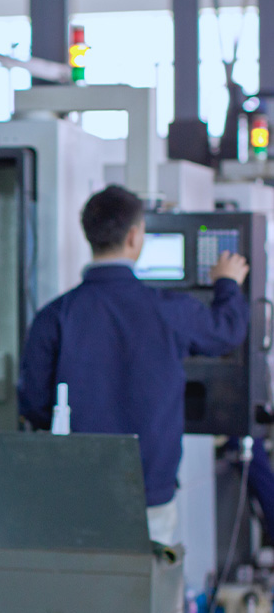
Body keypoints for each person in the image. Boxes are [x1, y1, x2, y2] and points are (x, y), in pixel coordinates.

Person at [18, 185, 250, 544]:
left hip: (78, 491)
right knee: (148, 577)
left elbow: (33, 403)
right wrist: (227, 284)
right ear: (134, 236)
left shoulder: (54, 316)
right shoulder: (169, 309)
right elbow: (226, 332)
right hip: (149, 491)